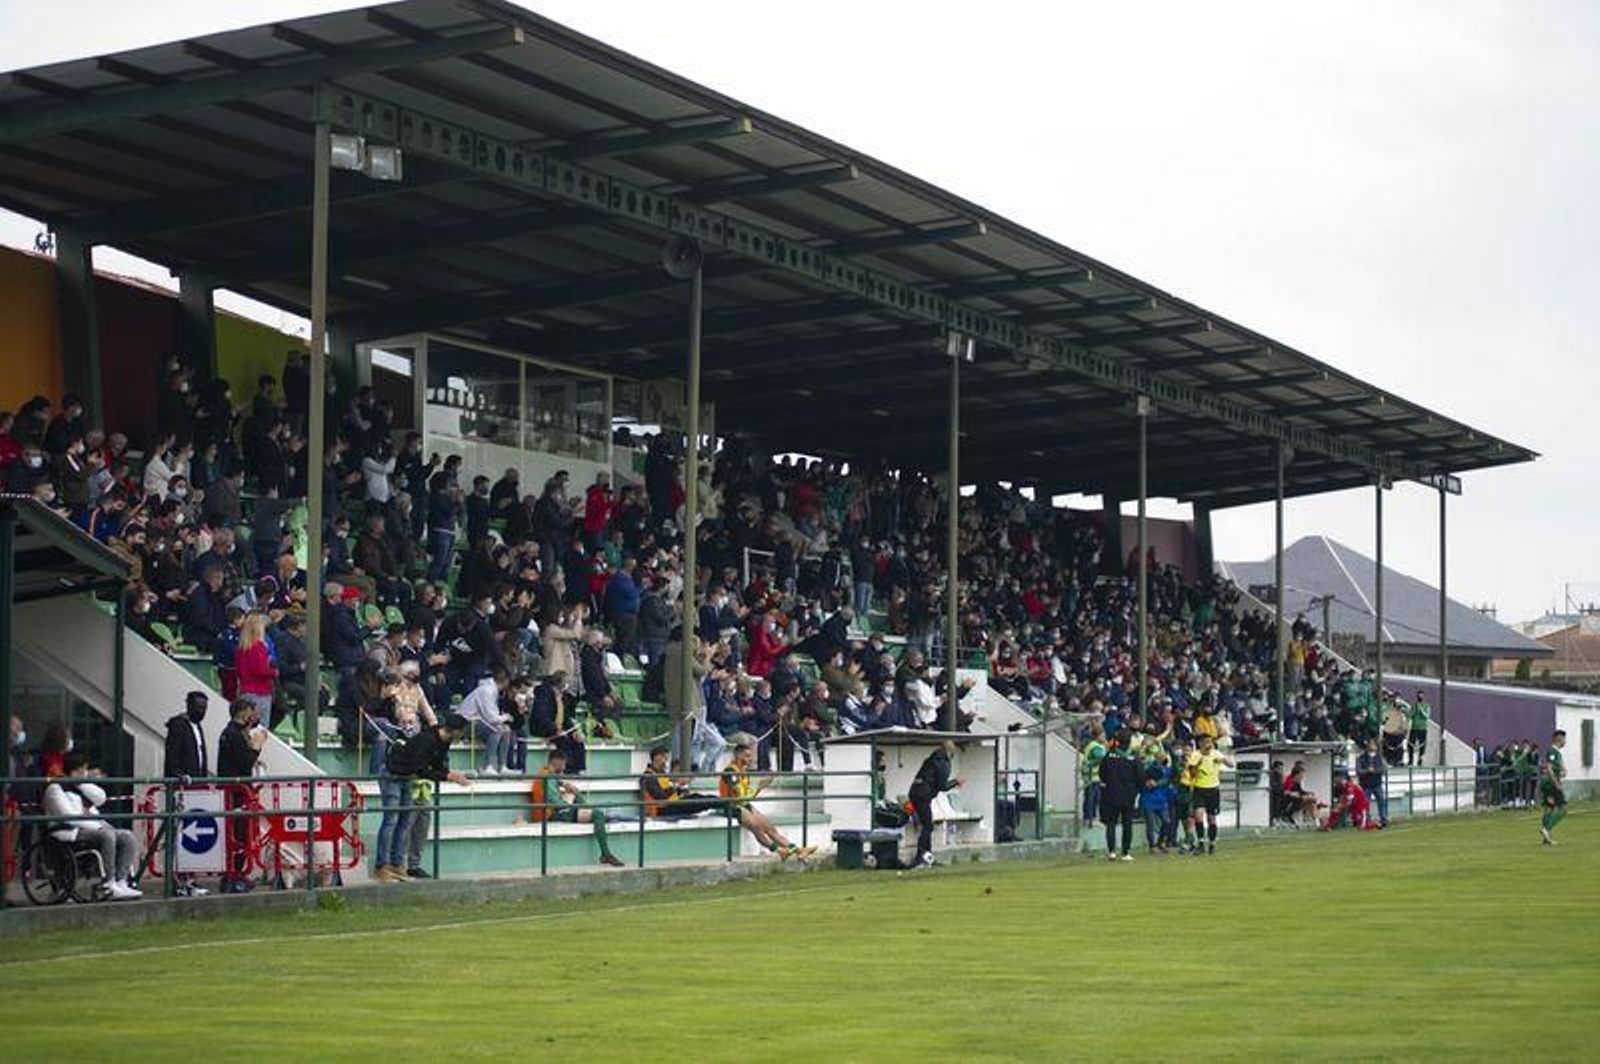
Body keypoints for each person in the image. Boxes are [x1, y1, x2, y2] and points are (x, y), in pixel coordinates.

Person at [43, 752, 142, 900]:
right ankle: (109, 883)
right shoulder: (55, 789)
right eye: (81, 771)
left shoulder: (81, 788)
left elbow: (100, 797)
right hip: (69, 831)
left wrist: (82, 784)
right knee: (107, 835)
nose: (85, 773)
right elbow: (68, 817)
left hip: (91, 827)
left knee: (127, 836)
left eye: (85, 770)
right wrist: (96, 826)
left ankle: (121, 882)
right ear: (72, 771)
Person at [529, 748, 625, 867]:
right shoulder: (546, 777)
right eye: (564, 764)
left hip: (556, 811)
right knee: (598, 814)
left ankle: (606, 844)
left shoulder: (550, 775)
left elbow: (570, 801)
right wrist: (571, 800)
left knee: (596, 813)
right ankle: (605, 854)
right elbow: (557, 804)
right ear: (557, 762)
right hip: (550, 815)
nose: (564, 768)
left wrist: (572, 791)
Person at [719, 740, 811, 859]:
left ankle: (798, 851)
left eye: (751, 756)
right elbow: (741, 794)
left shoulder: (743, 771)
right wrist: (759, 786)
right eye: (747, 756)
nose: (750, 759)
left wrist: (765, 783)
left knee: (770, 829)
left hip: (743, 804)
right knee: (756, 827)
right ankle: (779, 851)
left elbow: (747, 795)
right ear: (738, 755)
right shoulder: (730, 771)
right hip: (731, 805)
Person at [162, 691, 212, 896]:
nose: (202, 711)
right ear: (189, 706)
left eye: (205, 708)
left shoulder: (197, 726)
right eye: (199, 707)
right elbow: (171, 755)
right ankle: (177, 881)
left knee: (193, 837)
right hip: (182, 789)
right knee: (178, 835)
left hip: (197, 789)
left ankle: (190, 879)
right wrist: (179, 775)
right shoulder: (179, 725)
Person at [216, 699, 268, 893]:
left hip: (239, 793)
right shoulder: (232, 735)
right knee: (237, 835)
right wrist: (257, 746)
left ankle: (237, 874)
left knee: (242, 834)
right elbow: (244, 762)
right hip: (235, 794)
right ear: (244, 713)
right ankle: (233, 876)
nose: (254, 717)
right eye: (251, 713)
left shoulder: (234, 734)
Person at [907, 739, 963, 868]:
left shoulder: (930, 759)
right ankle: (921, 858)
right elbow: (942, 786)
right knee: (927, 826)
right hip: (923, 796)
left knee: (926, 825)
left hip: (915, 793)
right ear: (950, 751)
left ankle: (927, 857)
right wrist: (956, 781)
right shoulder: (943, 762)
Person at [455, 669, 513, 776]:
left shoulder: (493, 690)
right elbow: (491, 718)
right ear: (506, 681)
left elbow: (490, 717)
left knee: (506, 731)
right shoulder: (487, 691)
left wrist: (502, 722)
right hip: (465, 723)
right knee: (496, 730)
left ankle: (502, 766)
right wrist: (506, 717)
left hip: (478, 721)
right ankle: (487, 766)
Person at [639, 744, 721, 819]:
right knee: (696, 802)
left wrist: (680, 787)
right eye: (665, 758)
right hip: (661, 810)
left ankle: (724, 802)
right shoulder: (648, 776)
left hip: (673, 804)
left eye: (666, 759)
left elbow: (670, 791)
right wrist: (676, 784)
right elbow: (660, 796)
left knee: (696, 796)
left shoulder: (661, 774)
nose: (665, 762)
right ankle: (725, 804)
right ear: (657, 757)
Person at [1184, 734, 1232, 855]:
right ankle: (1201, 844)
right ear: (1200, 743)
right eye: (1206, 742)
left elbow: (1231, 764)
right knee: (1198, 816)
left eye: (1210, 742)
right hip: (1199, 789)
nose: (1208, 745)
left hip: (1213, 790)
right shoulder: (1195, 755)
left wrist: (1223, 759)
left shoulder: (1215, 753)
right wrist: (1197, 765)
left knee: (1212, 819)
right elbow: (1192, 774)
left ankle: (1212, 844)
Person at [1098, 734, 1140, 862]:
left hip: (1111, 793)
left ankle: (1111, 852)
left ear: (1117, 742)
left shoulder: (1108, 756)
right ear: (1129, 743)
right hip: (1128, 795)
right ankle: (1125, 853)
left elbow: (1102, 774)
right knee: (1127, 824)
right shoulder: (1133, 758)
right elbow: (1140, 776)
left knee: (1111, 823)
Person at [1540, 729, 1567, 846]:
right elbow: (1549, 768)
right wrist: (1556, 783)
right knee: (1563, 808)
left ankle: (1546, 837)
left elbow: (1555, 768)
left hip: (1549, 782)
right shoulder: (1552, 751)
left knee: (1549, 808)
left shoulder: (1557, 753)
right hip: (1551, 783)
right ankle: (1546, 829)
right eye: (1564, 739)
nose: (1565, 741)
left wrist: (1562, 771)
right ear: (1558, 738)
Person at [1355, 740, 1389, 828]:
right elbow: (1358, 771)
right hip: (1366, 785)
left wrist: (1375, 771)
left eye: (1374, 744)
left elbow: (1384, 769)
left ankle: (1383, 820)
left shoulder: (1380, 757)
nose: (1374, 746)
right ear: (1368, 746)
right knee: (1366, 804)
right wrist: (1367, 771)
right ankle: (1367, 821)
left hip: (1377, 783)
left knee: (1382, 802)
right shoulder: (1361, 758)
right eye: (1372, 744)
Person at [1407, 690, 1431, 767]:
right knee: (1410, 744)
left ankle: (1420, 760)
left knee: (1422, 745)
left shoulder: (1426, 706)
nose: (1420, 697)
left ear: (1424, 697)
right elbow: (1410, 715)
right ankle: (1410, 760)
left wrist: (1421, 709)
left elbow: (1427, 716)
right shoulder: (1414, 705)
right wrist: (1413, 710)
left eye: (1421, 695)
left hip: (1423, 728)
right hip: (1414, 728)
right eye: (1418, 695)